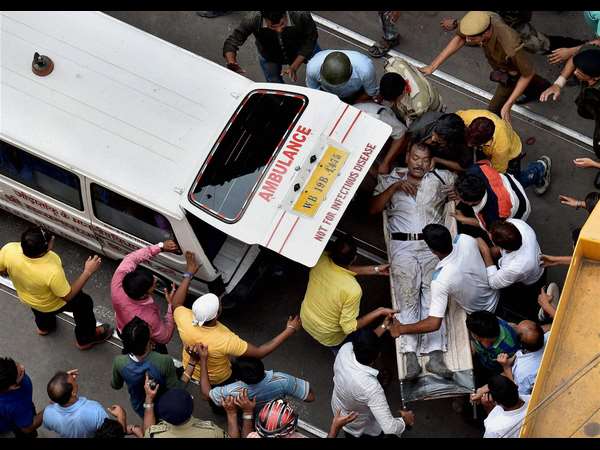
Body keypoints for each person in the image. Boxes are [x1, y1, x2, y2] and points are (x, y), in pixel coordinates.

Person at [370, 142, 457, 379]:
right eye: (416, 158)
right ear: (408, 157)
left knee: (433, 296)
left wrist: (455, 194)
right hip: (403, 246)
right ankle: (410, 357)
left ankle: (436, 356)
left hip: (431, 245)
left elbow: (461, 182)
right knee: (407, 297)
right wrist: (396, 187)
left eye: (425, 159)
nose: (420, 164)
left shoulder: (441, 177)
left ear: (432, 162)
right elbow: (373, 209)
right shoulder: (391, 179)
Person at [174, 292, 302, 409]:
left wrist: (188, 276)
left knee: (215, 398)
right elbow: (259, 352)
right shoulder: (226, 340)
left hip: (189, 367)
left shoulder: (183, 317)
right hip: (220, 378)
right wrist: (289, 330)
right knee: (220, 400)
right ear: (217, 314)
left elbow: (176, 303)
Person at [422, 11, 551, 123]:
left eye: (472, 38)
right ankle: (541, 88)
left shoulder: (510, 45)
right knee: (532, 83)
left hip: (511, 73)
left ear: (486, 33)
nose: (468, 40)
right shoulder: (480, 21)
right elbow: (461, 38)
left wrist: (508, 104)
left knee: (493, 111)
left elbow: (527, 74)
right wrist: (432, 66)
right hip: (501, 66)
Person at [0, 226, 112, 350]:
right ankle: (86, 339)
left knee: (40, 310)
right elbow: (67, 296)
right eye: (50, 240)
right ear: (43, 250)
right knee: (84, 303)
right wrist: (88, 271)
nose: (52, 237)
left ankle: (44, 327)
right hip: (53, 303)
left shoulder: (9, 249)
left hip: (29, 298)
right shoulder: (51, 271)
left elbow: (1, 270)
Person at [389, 224, 499, 340]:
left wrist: (400, 329)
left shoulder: (441, 279)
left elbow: (433, 323)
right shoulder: (464, 239)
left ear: (433, 251)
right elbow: (479, 241)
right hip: (495, 294)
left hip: (483, 315)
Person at [300, 234, 395, 353]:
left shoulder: (320, 260)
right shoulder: (352, 290)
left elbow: (338, 268)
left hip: (306, 319)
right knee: (359, 343)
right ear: (354, 258)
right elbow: (349, 328)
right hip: (328, 336)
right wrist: (379, 311)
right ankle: (343, 352)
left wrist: (375, 269)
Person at [111, 241, 196, 353]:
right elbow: (165, 337)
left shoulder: (118, 281)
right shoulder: (148, 318)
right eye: (153, 284)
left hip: (122, 329)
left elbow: (132, 258)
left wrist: (161, 247)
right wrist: (170, 307)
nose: (156, 279)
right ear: (144, 294)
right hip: (147, 343)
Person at [331, 329, 415, 438]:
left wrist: (384, 326)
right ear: (378, 355)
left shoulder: (345, 349)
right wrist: (404, 421)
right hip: (360, 426)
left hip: (338, 409)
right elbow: (389, 427)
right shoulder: (371, 388)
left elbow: (365, 343)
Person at [457, 109, 552, 195]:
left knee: (512, 186)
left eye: (474, 143)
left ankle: (540, 168)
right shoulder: (466, 117)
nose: (469, 145)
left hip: (510, 155)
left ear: (489, 139)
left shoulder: (501, 144)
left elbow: (497, 172)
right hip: (486, 151)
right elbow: (453, 121)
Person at [198, 344, 315, 410]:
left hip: (252, 416)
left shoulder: (233, 390)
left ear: (238, 377)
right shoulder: (282, 380)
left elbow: (206, 395)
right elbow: (310, 397)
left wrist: (203, 360)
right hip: (272, 412)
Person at [111, 317, 185, 418]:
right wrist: (191, 366)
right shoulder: (164, 361)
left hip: (140, 406)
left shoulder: (119, 362)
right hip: (164, 405)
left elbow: (116, 385)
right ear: (147, 343)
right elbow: (175, 389)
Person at [476, 219, 545, 321]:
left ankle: (539, 315)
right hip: (539, 261)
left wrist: (485, 251)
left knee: (529, 303)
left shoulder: (515, 268)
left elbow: (493, 283)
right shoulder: (518, 224)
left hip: (532, 281)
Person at [223, 11, 320, 83]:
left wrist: (294, 66)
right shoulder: (252, 19)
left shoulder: (301, 14)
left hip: (302, 47)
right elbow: (232, 42)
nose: (279, 30)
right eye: (273, 27)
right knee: (274, 83)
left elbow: (311, 38)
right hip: (269, 55)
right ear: (264, 19)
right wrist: (231, 62)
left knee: (321, 68)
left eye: (282, 24)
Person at [540, 44, 600, 159]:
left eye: (581, 72)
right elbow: (576, 56)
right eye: (577, 68)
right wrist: (559, 83)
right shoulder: (590, 52)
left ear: (596, 77)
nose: (575, 72)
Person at [379, 112, 471, 174]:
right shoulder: (422, 126)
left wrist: (437, 160)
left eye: (439, 140)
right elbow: (407, 140)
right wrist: (407, 155)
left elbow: (464, 167)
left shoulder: (462, 141)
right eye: (434, 134)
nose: (433, 139)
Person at [453, 169, 531, 239]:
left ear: (470, 203)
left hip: (521, 206)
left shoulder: (492, 215)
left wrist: (463, 219)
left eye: (458, 196)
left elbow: (485, 225)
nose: (456, 196)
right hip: (509, 183)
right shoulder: (477, 169)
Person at [142, 380, 228, 438]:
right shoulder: (212, 433)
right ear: (192, 407)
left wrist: (149, 398)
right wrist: (231, 414)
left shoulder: (155, 435)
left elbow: (148, 432)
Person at [43, 369, 109, 438]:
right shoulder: (95, 411)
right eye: (73, 380)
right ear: (73, 393)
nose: (74, 377)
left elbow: (56, 394)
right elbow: (109, 432)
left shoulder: (48, 414)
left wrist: (62, 380)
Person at [379, 57, 444, 126]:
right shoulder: (393, 63)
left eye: (394, 100)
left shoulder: (418, 106)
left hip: (432, 108)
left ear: (404, 90)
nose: (391, 103)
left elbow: (413, 122)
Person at [306, 49, 378, 104]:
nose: (336, 87)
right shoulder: (312, 68)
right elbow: (313, 91)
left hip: (355, 94)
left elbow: (370, 92)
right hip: (328, 94)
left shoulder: (365, 69)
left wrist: (355, 105)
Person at [466, 311, 521, 381]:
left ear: (478, 337)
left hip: (496, 370)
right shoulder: (489, 323)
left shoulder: (509, 347)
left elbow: (510, 367)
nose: (471, 334)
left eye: (472, 333)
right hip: (483, 361)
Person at [0, 357, 43, 438]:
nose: (22, 367)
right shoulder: (16, 405)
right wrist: (49, 409)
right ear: (13, 387)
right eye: (20, 374)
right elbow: (27, 428)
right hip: (12, 425)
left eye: (16, 364)